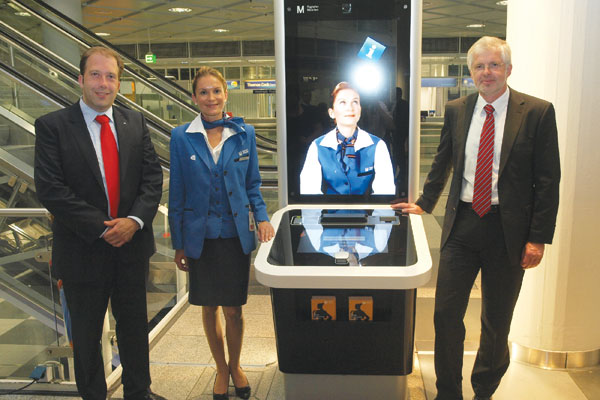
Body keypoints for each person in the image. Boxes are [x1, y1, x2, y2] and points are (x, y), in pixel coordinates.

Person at [392, 36, 560, 400]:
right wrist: (424, 201)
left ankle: (484, 389)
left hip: (509, 233)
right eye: (480, 66)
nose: (487, 72)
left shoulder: (536, 112)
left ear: (508, 70)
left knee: (496, 323)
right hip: (463, 226)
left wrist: (538, 238)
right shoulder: (457, 109)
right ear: (471, 73)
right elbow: (443, 161)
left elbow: (548, 180)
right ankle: (448, 392)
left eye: (494, 65)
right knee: (446, 316)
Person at [34, 47, 164, 400]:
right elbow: (50, 189)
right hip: (82, 251)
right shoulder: (53, 127)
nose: (103, 83)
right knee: (88, 338)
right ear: (80, 78)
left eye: (111, 76)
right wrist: (105, 227)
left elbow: (152, 180)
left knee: (135, 329)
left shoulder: (134, 122)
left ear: (119, 83)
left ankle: (139, 392)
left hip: (131, 249)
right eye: (96, 74)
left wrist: (134, 221)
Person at [168, 66, 274, 400]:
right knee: (208, 305)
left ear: (226, 94)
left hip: (233, 236)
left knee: (233, 308)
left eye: (216, 91)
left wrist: (262, 217)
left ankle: (237, 364)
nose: (211, 98)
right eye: (204, 92)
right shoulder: (181, 136)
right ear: (195, 97)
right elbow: (178, 194)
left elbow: (252, 184)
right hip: (199, 236)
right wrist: (179, 243)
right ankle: (221, 369)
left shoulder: (244, 134)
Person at [299, 82, 395, 195]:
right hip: (328, 212)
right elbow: (309, 192)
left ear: (360, 110)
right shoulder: (317, 146)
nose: (350, 108)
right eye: (342, 102)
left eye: (355, 102)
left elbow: (385, 191)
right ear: (332, 113)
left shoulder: (378, 146)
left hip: (366, 212)